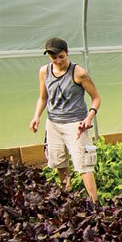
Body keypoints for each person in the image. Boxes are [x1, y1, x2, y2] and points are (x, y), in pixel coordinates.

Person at [31, 37, 102, 202]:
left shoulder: (79, 73)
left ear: (67, 53)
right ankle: (67, 196)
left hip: (76, 125)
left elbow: (96, 98)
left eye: (61, 57)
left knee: (84, 164)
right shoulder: (44, 71)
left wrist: (89, 117)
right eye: (54, 58)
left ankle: (95, 203)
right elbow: (43, 98)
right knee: (59, 162)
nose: (58, 61)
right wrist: (36, 117)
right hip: (53, 124)